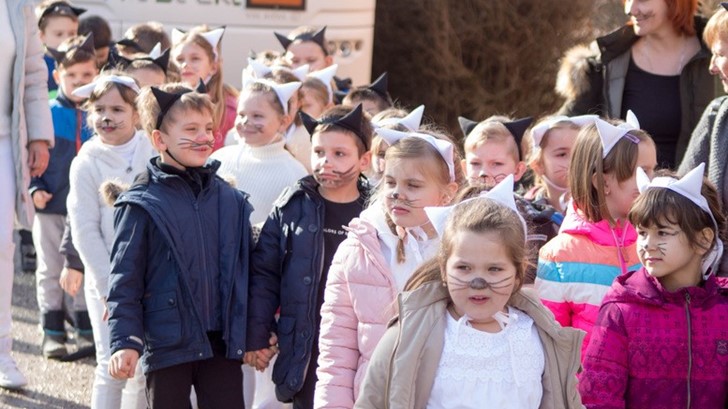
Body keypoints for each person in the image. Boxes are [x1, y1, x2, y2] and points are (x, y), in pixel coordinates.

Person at [355, 177, 584, 409]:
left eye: (494, 269)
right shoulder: (411, 333)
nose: (478, 282)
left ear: (518, 273)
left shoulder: (540, 336)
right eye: (464, 268)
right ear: (444, 269)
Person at [106, 82, 253, 408]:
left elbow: (246, 274)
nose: (204, 137)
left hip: (221, 344)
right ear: (160, 139)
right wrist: (125, 340)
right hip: (168, 341)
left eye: (208, 128)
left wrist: (256, 332)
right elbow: (124, 280)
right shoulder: (141, 203)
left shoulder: (230, 200)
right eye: (191, 129)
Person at [314, 128, 461, 408]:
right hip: (374, 397)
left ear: (446, 194)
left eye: (413, 185)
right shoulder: (357, 250)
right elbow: (337, 349)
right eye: (390, 182)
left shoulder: (459, 251)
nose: (397, 193)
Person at [245, 104, 372, 408]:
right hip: (302, 347)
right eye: (318, 152)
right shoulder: (291, 206)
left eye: (339, 154)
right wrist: (258, 333)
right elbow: (264, 274)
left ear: (364, 160)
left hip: (357, 350)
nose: (326, 162)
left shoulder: (376, 213)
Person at [579, 163, 728, 408]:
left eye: (663, 232)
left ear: (703, 240)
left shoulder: (723, 308)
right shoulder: (621, 310)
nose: (648, 243)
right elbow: (598, 397)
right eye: (642, 232)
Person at [535, 115, 657, 357]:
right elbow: (550, 341)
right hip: (588, 391)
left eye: (652, 171)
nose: (649, 182)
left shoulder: (656, 242)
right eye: (641, 172)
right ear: (602, 181)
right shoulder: (558, 255)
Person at [67, 73, 153, 408]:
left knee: (146, 365)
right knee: (112, 364)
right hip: (108, 282)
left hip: (150, 278)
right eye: (99, 109)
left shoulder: (151, 149)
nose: (107, 117)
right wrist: (110, 288)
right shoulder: (86, 161)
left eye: (117, 109)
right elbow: (84, 229)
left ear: (136, 113)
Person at [556, 0, 716, 169]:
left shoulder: (718, 53)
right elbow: (561, 127)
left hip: (701, 193)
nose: (630, 9)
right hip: (630, 193)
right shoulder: (607, 61)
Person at [31, 33, 97, 360]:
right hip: (51, 207)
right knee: (50, 267)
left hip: (86, 209)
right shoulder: (47, 112)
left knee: (85, 264)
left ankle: (86, 326)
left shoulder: (101, 115)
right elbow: (32, 155)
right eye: (72, 76)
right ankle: (52, 329)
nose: (79, 82)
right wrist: (34, 186)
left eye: (87, 75)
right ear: (58, 76)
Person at [0, 0, 53, 389]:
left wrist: (38, 135)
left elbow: (34, 75)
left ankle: (1, 351)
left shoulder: (17, 6)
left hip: (5, 138)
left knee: (2, 245)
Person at [212, 78, 306, 225]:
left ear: (283, 122)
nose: (245, 121)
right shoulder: (219, 159)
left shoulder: (294, 174)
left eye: (257, 116)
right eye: (241, 114)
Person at [679, 3, 728, 275]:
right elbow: (681, 199)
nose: (711, 67)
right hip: (719, 289)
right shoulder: (717, 117)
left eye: (719, 54)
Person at [171, 25, 238, 151]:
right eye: (180, 59)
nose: (185, 64)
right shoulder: (168, 102)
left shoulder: (230, 110)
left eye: (195, 58)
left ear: (213, 67)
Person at [523, 114, 598, 215]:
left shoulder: (600, 206)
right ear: (538, 165)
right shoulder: (524, 210)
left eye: (580, 152)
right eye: (562, 154)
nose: (574, 161)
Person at [35, 0, 85, 99]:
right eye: (59, 34)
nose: (66, 39)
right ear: (41, 36)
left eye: (71, 33)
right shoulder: (37, 66)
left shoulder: (83, 62)